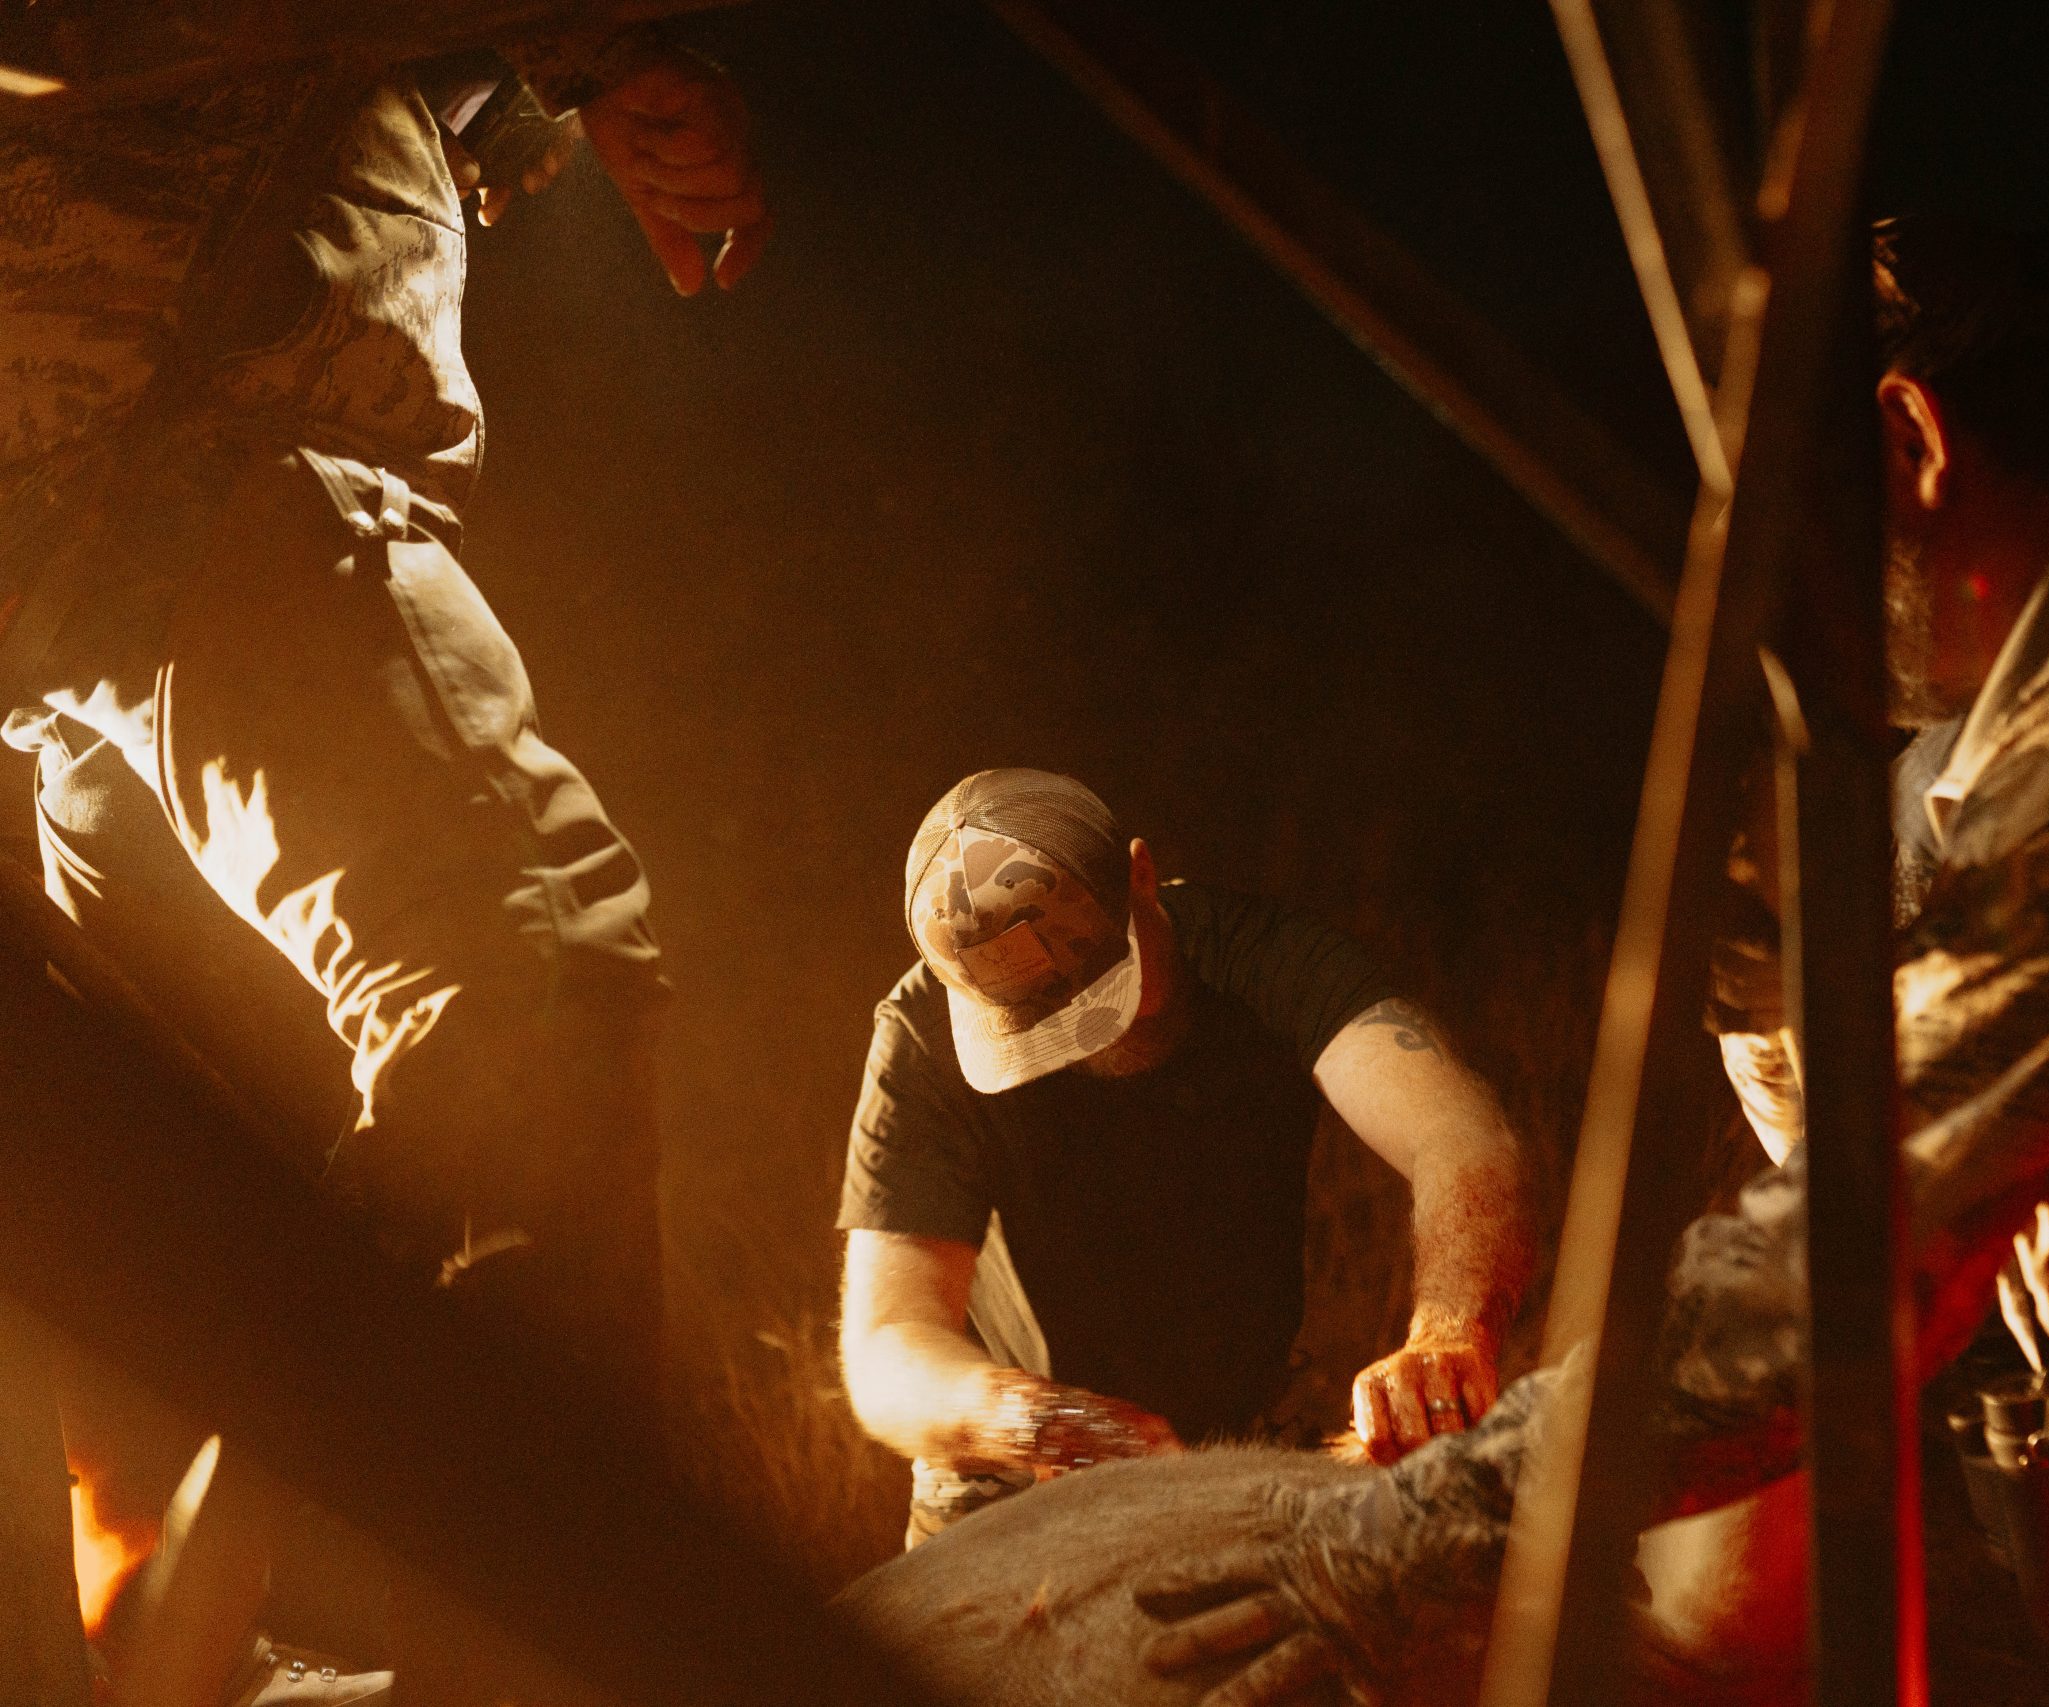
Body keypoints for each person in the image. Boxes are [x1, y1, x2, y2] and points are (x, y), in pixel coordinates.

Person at [1132, 222, 2049, 1707]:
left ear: (1910, 438)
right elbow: (1849, 1150)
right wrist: (1763, 993)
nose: (1785, 598)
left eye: (1786, 531)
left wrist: (1401, 1533)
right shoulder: (2045, 733)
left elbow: (1839, 1258)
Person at [0, 20, 769, 1702]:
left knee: (149, 1202)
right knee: (525, 970)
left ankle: (192, 1665)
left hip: (68, 617)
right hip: (170, 456)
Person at [837, 768, 1535, 1544]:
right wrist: (1025, 1418)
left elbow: (1462, 1136)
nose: (1079, 1043)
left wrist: (1447, 1332)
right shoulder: (921, 1033)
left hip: (1250, 1422)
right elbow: (888, 1341)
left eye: (1091, 996)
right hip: (1007, 1467)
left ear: (1141, 878)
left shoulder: (1264, 956)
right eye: (1033, 1026)